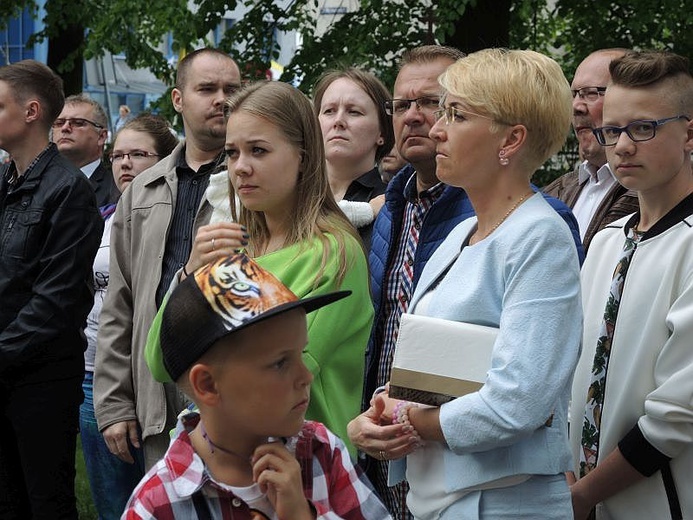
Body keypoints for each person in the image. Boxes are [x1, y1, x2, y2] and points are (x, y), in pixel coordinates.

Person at [351, 48, 582, 519]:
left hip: (504, 505)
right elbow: (430, 366)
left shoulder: (539, 235)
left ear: (511, 139)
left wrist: (407, 420)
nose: (436, 128)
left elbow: (519, 402)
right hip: (439, 501)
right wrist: (377, 414)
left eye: (455, 114)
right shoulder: (461, 233)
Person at [145, 81, 374, 459]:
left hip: (300, 470)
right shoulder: (234, 247)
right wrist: (189, 272)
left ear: (303, 155)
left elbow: (273, 384)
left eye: (258, 150)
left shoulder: (331, 253)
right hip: (223, 464)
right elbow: (160, 361)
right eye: (232, 153)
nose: (241, 167)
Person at [124, 253, 391, 519]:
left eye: (301, 354)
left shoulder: (322, 451)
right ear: (207, 385)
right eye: (280, 363)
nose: (306, 376)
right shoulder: (158, 505)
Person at [94, 48, 242, 469]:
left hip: (230, 391)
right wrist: (115, 404)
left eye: (231, 89)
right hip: (154, 392)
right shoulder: (142, 189)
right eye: (207, 88)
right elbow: (119, 305)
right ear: (178, 99)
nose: (221, 99)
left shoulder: (252, 181)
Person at [569, 50, 693, 520]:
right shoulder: (603, 242)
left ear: (690, 133)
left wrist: (584, 494)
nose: (621, 146)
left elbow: (677, 416)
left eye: (643, 128)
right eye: (612, 130)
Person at [0, 60, 103, 519]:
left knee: (45, 502)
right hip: (6, 369)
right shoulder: (6, 180)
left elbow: (55, 301)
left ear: (30, 111)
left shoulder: (68, 190)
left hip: (40, 381)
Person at [81, 114, 179, 519]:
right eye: (117, 155)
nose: (124, 164)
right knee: (112, 502)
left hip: (154, 377)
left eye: (138, 154)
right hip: (94, 376)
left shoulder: (175, 215)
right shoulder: (103, 216)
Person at [544, 49, 639, 253]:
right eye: (574, 94)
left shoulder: (651, 193)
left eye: (591, 93)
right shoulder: (556, 190)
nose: (577, 106)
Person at [313, 67, 395, 248]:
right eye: (329, 111)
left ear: (382, 131)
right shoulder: (289, 192)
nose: (338, 121)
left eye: (354, 112)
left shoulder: (392, 203)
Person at [53, 93, 119, 206]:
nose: (65, 128)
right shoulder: (37, 182)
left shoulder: (116, 191)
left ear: (101, 136)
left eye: (78, 123)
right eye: (59, 123)